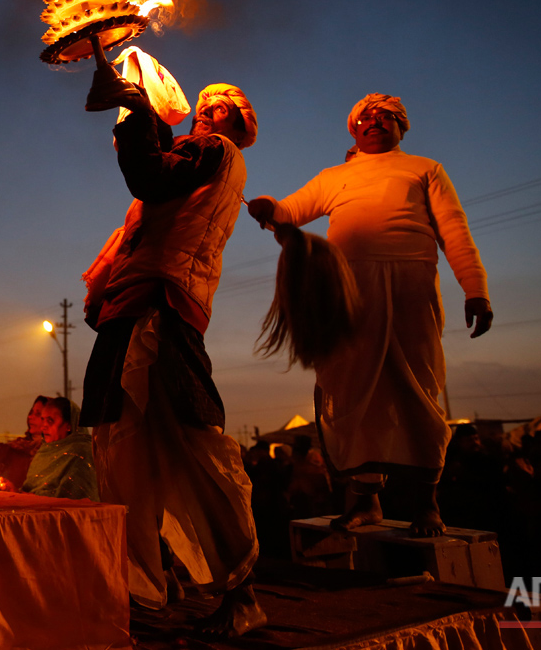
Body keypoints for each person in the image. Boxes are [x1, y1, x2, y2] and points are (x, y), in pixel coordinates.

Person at [79, 40, 265, 635]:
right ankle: (139, 589)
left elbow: (149, 175)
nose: (209, 107)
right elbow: (145, 185)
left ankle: (242, 592)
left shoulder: (216, 152)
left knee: (195, 445)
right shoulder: (192, 156)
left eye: (224, 104)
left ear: (239, 124)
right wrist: (133, 108)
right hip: (133, 308)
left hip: (161, 306)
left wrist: (134, 109)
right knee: (122, 451)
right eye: (205, 103)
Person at [248, 93, 492, 537]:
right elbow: (291, 211)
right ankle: (365, 501)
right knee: (349, 388)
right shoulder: (335, 177)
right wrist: (269, 209)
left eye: (386, 117)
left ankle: (427, 504)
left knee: (418, 385)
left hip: (411, 284)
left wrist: (475, 290)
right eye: (367, 117)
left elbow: (455, 231)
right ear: (353, 129)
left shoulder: (425, 169)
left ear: (402, 127)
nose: (375, 121)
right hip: (348, 292)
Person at [14, 397, 98, 501]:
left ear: (69, 425)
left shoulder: (81, 452)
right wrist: (15, 491)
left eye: (50, 421)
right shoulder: (44, 451)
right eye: (42, 420)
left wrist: (27, 495)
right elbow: (29, 490)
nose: (43, 427)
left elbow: (72, 497)